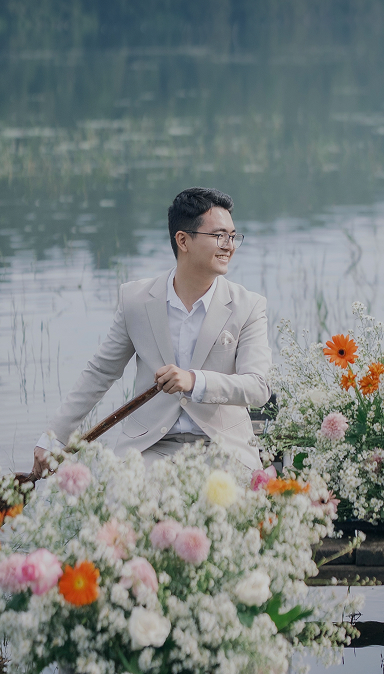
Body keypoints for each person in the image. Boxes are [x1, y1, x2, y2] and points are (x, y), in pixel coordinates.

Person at [33, 187, 271, 475]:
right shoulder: (135, 300)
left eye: (233, 237)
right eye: (219, 236)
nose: (229, 246)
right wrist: (53, 438)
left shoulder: (249, 305)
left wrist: (195, 381)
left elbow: (258, 387)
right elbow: (100, 372)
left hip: (223, 446)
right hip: (148, 448)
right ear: (183, 240)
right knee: (120, 505)